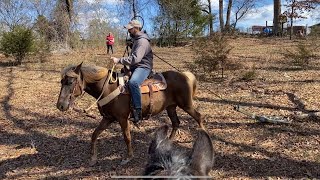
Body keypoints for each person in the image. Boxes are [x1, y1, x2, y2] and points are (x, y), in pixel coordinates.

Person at [111, 20, 153, 124]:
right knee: (120, 74)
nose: (128, 30)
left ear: (136, 28)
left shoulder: (142, 41)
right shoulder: (136, 39)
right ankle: (121, 102)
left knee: (133, 82)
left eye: (130, 28)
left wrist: (119, 60)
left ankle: (138, 111)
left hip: (143, 67)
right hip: (136, 66)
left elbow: (136, 59)